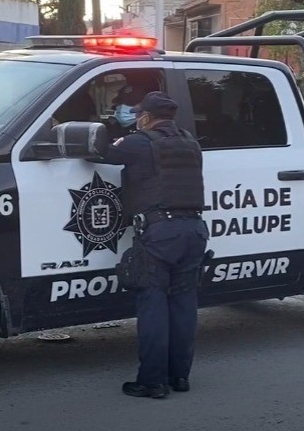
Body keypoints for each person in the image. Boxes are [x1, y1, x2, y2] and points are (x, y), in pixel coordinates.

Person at [96, 91, 209, 399]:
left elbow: (102, 153)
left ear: (145, 117)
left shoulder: (138, 142)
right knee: (184, 306)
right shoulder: (190, 143)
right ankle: (179, 377)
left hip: (161, 233)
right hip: (195, 230)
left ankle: (152, 381)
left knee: (153, 306)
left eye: (137, 113)